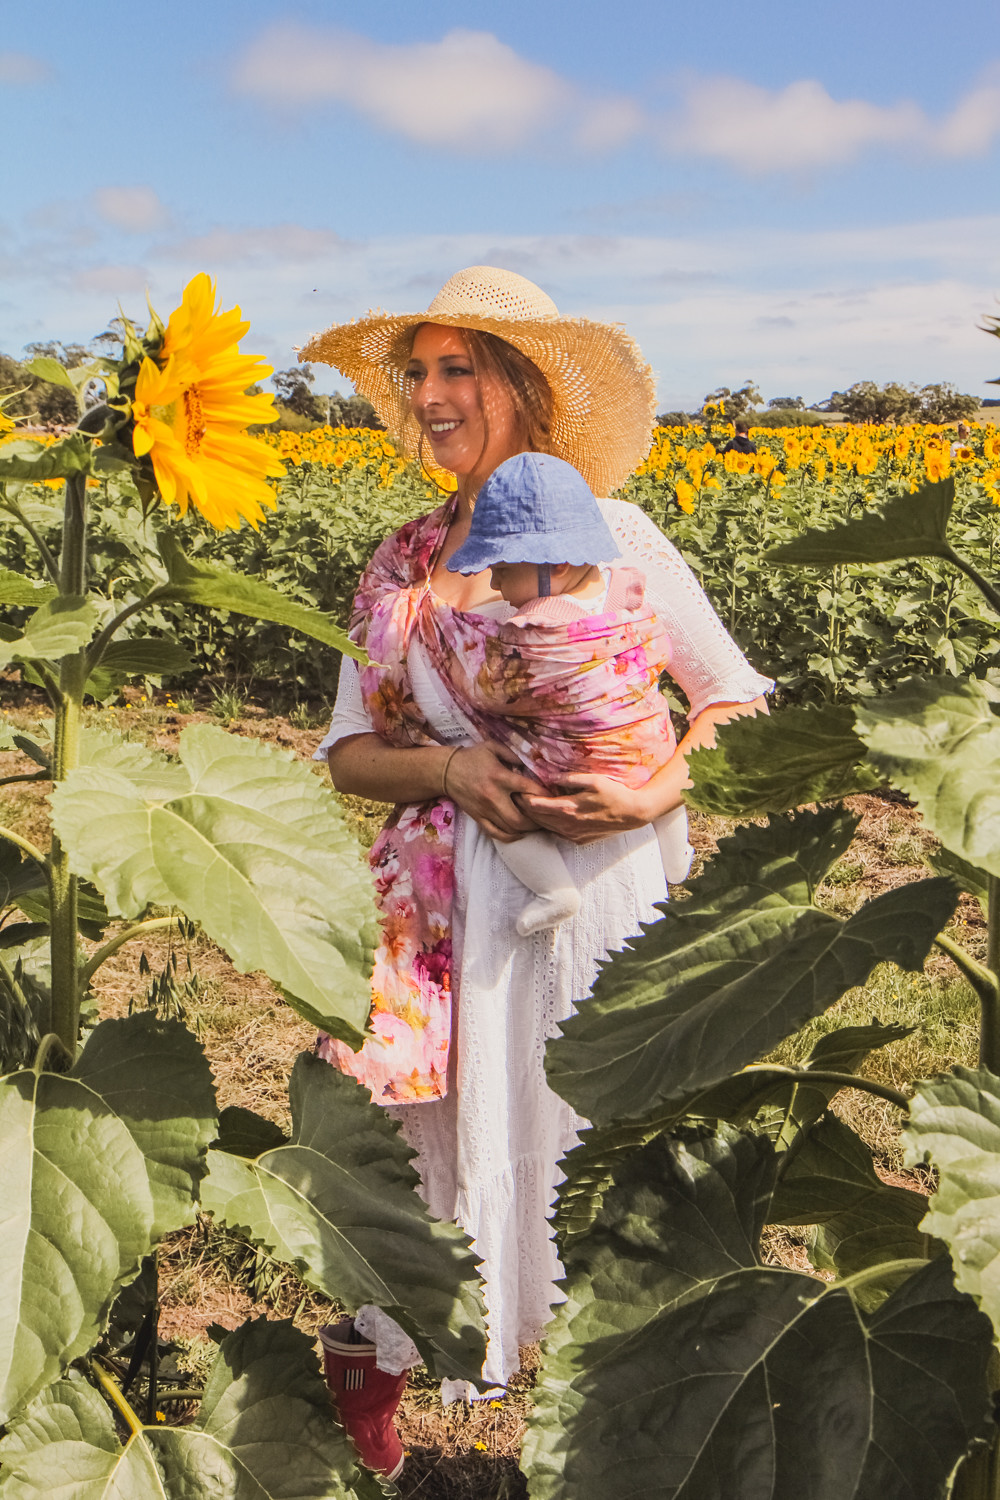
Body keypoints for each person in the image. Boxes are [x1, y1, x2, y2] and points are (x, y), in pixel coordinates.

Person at [301, 266, 772, 1473]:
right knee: (429, 1135)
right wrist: (452, 776)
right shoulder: (401, 560)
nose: (430, 392)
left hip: (600, 875)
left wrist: (656, 787)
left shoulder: (612, 537)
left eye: (458, 366)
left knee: (593, 1130)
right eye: (418, 370)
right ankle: (382, 1377)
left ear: (519, 383)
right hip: (448, 891)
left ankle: (629, 1414)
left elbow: (731, 701)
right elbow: (351, 754)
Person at [443, 449, 694, 936]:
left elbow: (497, 690)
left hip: (582, 772)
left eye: (501, 567)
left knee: (509, 816)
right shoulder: (624, 590)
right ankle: (676, 848)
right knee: (660, 763)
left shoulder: (538, 627)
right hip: (645, 756)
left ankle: (555, 891)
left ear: (553, 565)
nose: (493, 581)